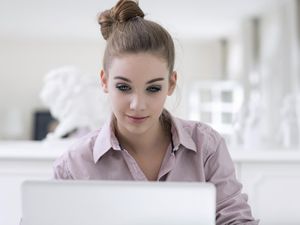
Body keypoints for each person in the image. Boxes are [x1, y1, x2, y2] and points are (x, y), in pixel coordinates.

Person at [53, 0, 259, 224]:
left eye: (153, 88)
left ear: (171, 84)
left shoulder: (206, 147)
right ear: (104, 81)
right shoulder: (74, 164)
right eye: (124, 87)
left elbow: (235, 219)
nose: (137, 104)